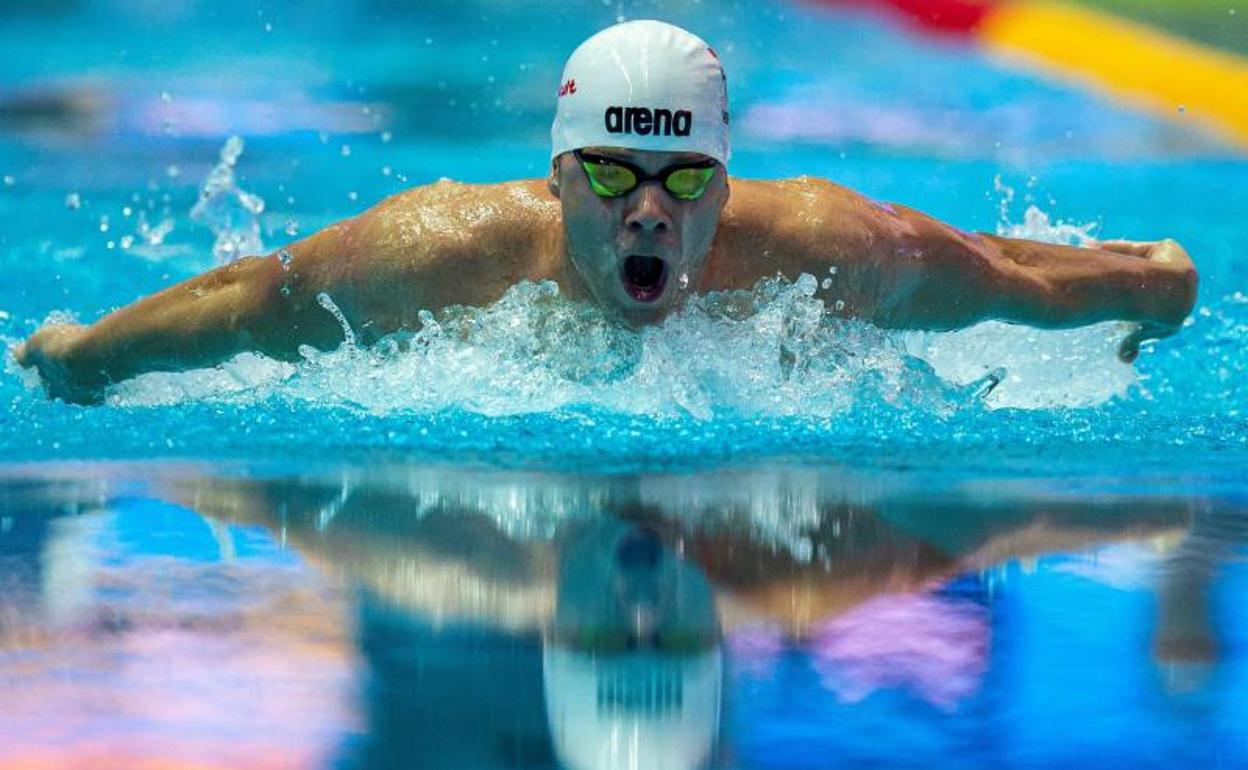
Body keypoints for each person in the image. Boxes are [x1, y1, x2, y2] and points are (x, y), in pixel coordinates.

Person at [15, 20, 1197, 405]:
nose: (648, 212)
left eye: (684, 180)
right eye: (612, 176)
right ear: (552, 181)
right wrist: (83, 357)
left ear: (726, 188)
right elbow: (247, 298)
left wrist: (1154, 281)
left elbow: (1003, 272)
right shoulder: (436, 255)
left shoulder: (831, 250)